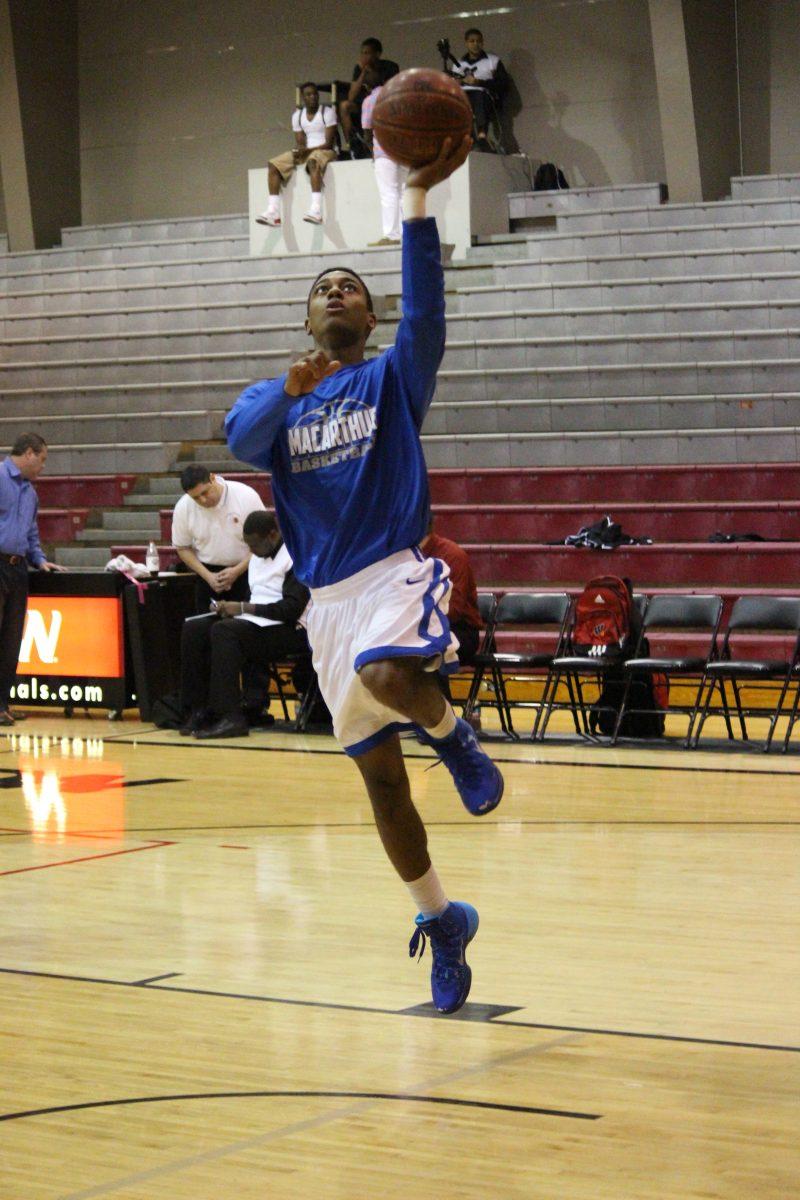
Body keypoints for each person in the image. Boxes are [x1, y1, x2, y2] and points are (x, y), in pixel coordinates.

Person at [226, 133, 505, 1017]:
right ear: (308, 322)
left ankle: (457, 736)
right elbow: (237, 441)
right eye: (322, 289)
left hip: (393, 572)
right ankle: (442, 919)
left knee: (392, 674)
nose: (337, 291)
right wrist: (293, 385)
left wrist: (416, 201)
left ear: (371, 313)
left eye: (350, 285)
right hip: (328, 609)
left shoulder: (393, 378)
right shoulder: (276, 404)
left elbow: (429, 315)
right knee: (382, 784)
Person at [180, 511, 310, 738]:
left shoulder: (295, 557)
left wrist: (241, 609)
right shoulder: (257, 558)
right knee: (195, 628)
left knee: (226, 632)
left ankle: (230, 716)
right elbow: (256, 599)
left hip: (291, 630)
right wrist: (229, 609)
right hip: (259, 622)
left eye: (256, 544)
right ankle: (200, 709)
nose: (252, 551)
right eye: (248, 545)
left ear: (273, 534)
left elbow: (290, 610)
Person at [0, 433, 66, 727]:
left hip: (17, 568)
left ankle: (2, 704)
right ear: (28, 453)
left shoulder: (30, 492)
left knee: (12, 639)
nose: (42, 467)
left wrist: (39, 559)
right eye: (41, 460)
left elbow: (31, 533)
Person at [171, 465, 264, 613]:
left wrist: (237, 571)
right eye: (195, 498)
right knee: (204, 628)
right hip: (207, 574)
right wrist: (208, 576)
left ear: (213, 478)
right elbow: (183, 548)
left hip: (248, 571)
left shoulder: (246, 496)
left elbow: (263, 542)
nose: (202, 500)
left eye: (205, 492)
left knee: (244, 629)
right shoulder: (183, 507)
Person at [257, 83, 338, 229]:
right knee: (273, 164)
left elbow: (329, 143)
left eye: (315, 94)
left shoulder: (327, 112)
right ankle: (274, 212)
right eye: (308, 95)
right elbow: (301, 143)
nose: (313, 97)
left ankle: (316, 210)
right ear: (303, 98)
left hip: (325, 151)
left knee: (313, 161)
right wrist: (299, 151)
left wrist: (307, 151)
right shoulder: (298, 116)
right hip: (308, 151)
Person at [420, 517, 482, 669]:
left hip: (459, 630)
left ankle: (438, 693)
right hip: (420, 626)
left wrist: (416, 616)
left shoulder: (452, 555)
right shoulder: (402, 556)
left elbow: (454, 611)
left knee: (427, 652)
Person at [360, 67, 407, 245]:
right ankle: (406, 234)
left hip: (384, 151)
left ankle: (391, 234)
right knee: (403, 193)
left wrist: (371, 150)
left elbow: (366, 131)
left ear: (366, 85)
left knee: (388, 193)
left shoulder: (369, 100)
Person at [450, 28, 509, 152]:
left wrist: (479, 82)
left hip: (486, 96)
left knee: (478, 95)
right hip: (464, 95)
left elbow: (503, 84)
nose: (475, 44)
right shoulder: (458, 65)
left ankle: (482, 135)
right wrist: (458, 83)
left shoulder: (493, 61)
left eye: (478, 41)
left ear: (482, 42)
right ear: (466, 43)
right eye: (472, 41)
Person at [339, 37, 399, 158]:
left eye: (367, 53)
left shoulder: (390, 66)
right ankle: (351, 145)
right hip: (364, 104)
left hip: (382, 103)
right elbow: (351, 96)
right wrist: (362, 73)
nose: (364, 56)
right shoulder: (360, 69)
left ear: (377, 53)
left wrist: (371, 73)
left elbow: (389, 88)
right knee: (344, 106)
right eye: (362, 53)